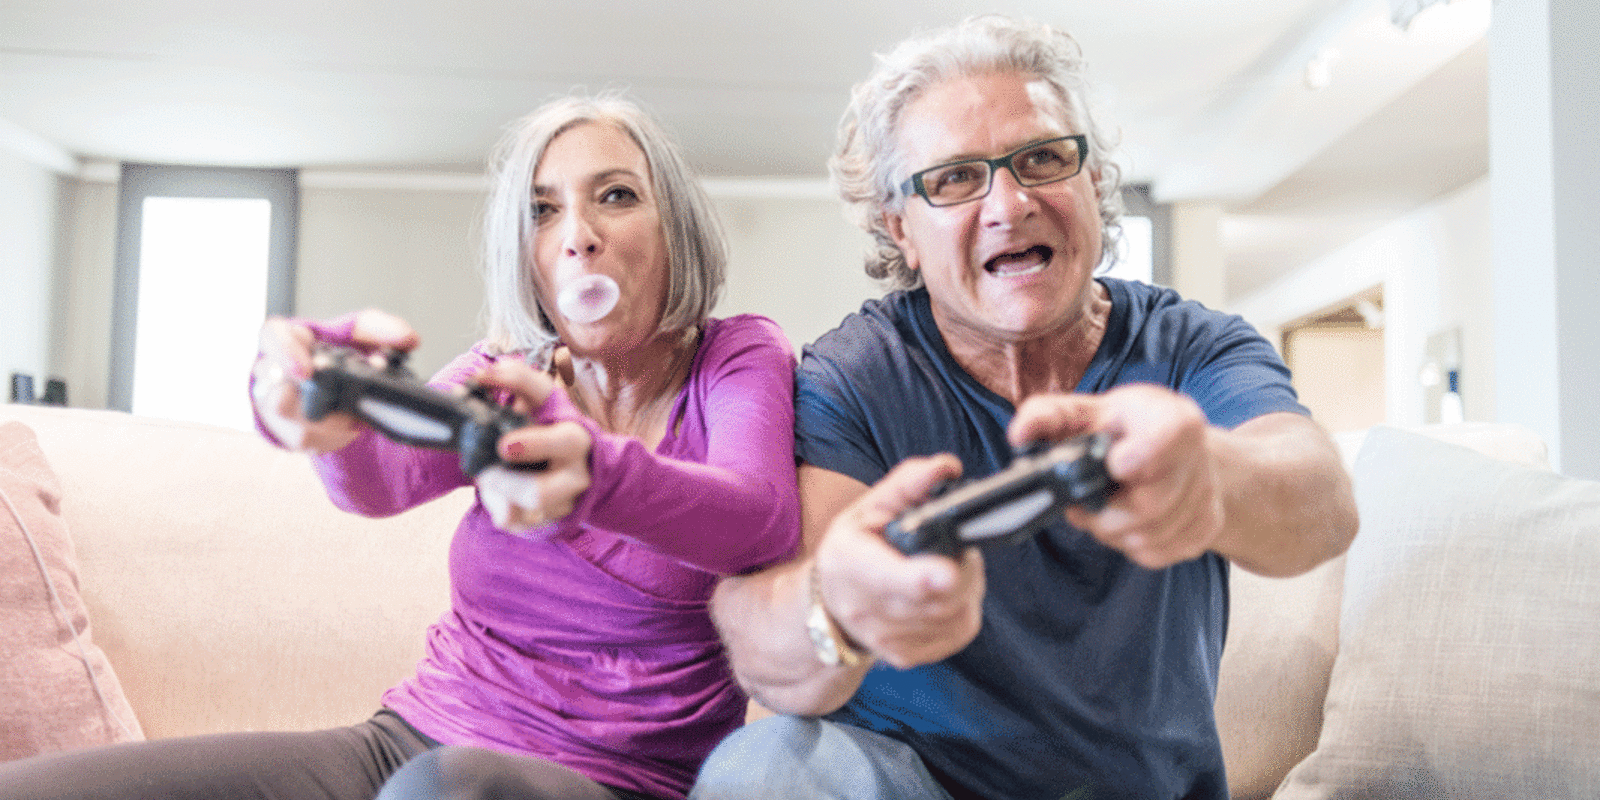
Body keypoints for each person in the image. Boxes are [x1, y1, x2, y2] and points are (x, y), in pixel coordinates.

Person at [0, 95, 800, 800]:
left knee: (449, 788)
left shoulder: (734, 358)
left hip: (609, 780)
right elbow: (380, 483)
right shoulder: (503, 376)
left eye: (615, 197)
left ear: (676, 227)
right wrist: (327, 416)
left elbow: (755, 517)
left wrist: (594, 473)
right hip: (411, 740)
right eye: (542, 210)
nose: (578, 237)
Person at [690, 15, 1358, 800]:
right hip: (913, 788)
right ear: (900, 228)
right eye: (955, 179)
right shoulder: (858, 374)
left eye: (1042, 158)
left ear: (1094, 183)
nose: (1009, 203)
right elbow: (773, 650)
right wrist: (835, 603)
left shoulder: (1191, 349)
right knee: (763, 769)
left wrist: (1211, 476)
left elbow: (1321, 500)